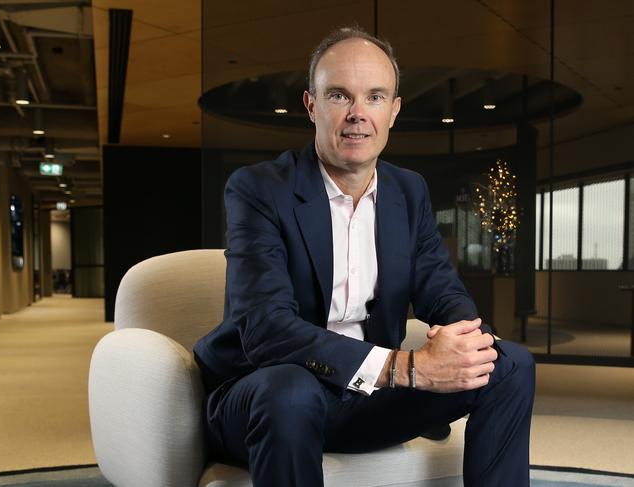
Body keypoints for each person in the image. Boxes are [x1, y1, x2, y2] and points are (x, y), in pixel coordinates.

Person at [193, 26, 535, 487]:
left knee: (509, 364)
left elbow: (442, 289)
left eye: (374, 97)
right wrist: (407, 367)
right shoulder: (259, 189)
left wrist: (464, 343)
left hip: (370, 398)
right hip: (268, 397)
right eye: (339, 95)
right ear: (311, 105)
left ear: (393, 111)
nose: (358, 114)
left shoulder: (407, 191)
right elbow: (265, 328)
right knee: (289, 391)